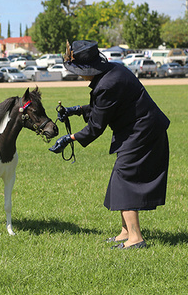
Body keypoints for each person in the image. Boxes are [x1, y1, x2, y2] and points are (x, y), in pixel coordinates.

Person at [49, 40, 170, 249]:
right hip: (139, 131)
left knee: (125, 182)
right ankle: (125, 232)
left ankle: (136, 239)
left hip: (142, 133)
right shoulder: (113, 72)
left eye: (77, 70)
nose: (78, 75)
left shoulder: (106, 84)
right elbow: (104, 108)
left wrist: (69, 139)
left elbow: (96, 126)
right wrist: (75, 110)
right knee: (119, 179)